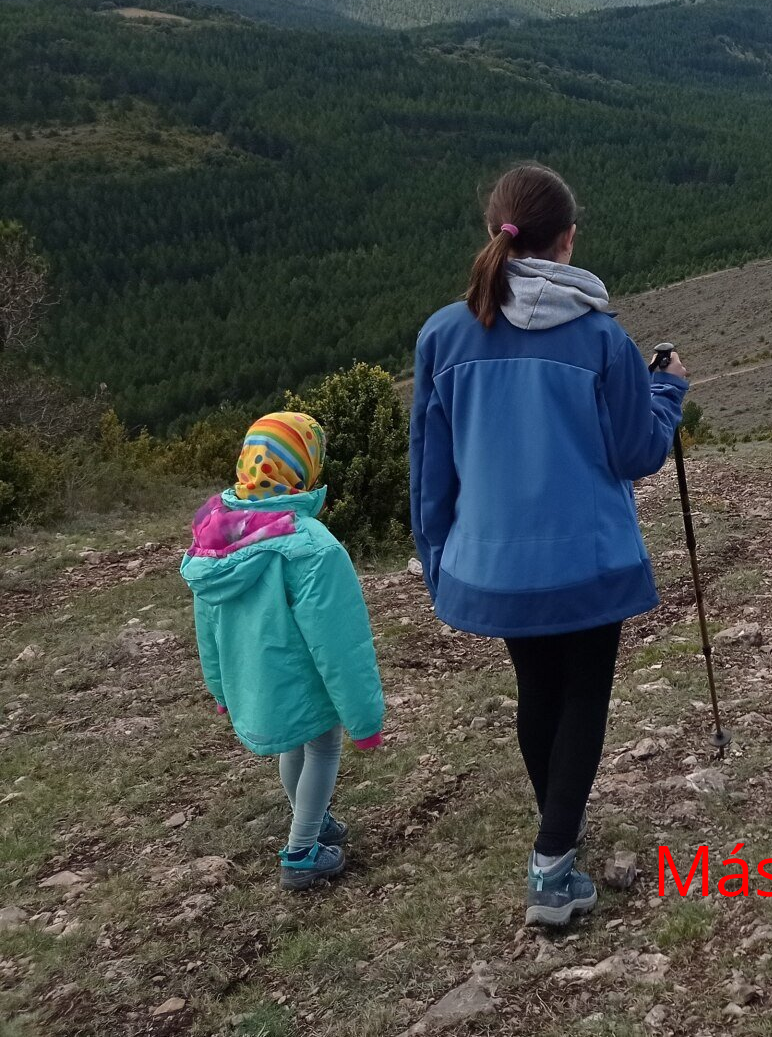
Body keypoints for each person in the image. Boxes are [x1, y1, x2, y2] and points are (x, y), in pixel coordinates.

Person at [410, 163, 688, 928]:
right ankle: (553, 863)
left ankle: (556, 823)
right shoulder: (603, 339)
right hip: (589, 560)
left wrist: (438, 559)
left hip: (496, 564)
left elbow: (430, 467)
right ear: (567, 241)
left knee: (539, 690)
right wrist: (668, 390)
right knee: (584, 694)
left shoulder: (444, 334)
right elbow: (637, 453)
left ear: (496, 232)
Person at [181, 412, 385, 893]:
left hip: (256, 678)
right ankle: (301, 852)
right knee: (322, 747)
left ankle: (310, 820)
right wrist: (364, 716)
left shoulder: (215, 535)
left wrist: (219, 685)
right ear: (304, 471)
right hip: (305, 676)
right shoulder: (311, 544)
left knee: (295, 747)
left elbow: (206, 623)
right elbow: (340, 640)